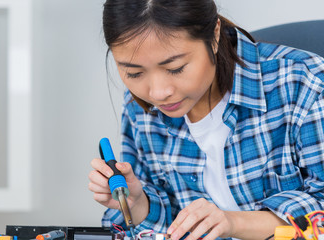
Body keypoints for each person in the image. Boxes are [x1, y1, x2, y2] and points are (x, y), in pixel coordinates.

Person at [88, 0, 324, 239]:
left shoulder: (305, 84)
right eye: (134, 73)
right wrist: (138, 204)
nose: (158, 92)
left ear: (214, 35)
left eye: (176, 68)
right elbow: (160, 225)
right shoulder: (140, 107)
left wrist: (232, 222)